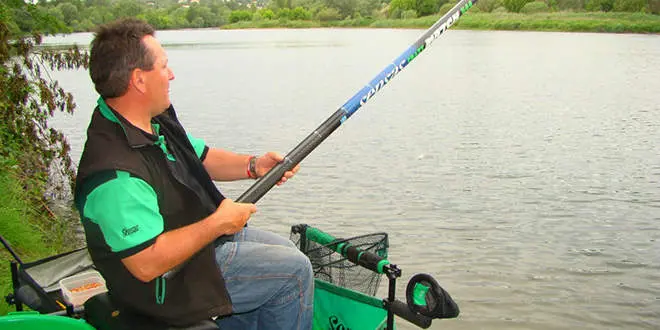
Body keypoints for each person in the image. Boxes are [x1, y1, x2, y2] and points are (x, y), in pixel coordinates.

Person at [74, 18, 313, 329]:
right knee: (295, 271)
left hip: (195, 240)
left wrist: (254, 165)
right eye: (163, 66)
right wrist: (216, 224)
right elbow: (147, 264)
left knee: (286, 250)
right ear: (139, 80)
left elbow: (200, 157)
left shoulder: (150, 118)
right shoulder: (115, 175)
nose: (171, 74)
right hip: (163, 285)